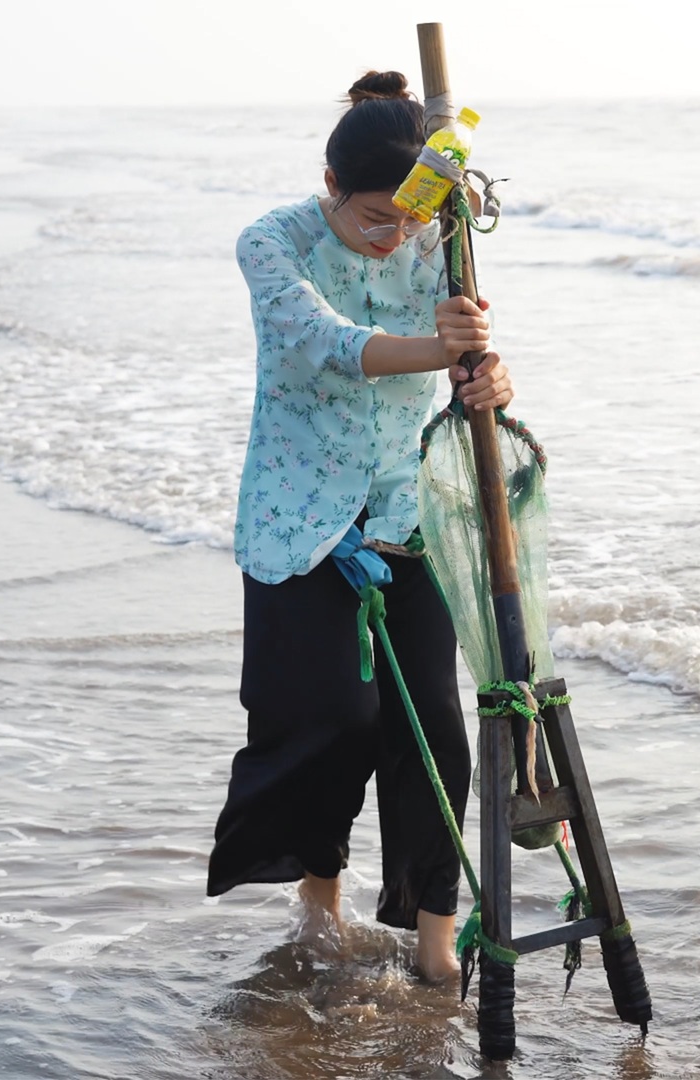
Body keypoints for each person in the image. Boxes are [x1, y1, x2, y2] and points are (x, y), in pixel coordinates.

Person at [207, 70, 512, 982]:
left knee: (434, 728)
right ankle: (320, 891)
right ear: (332, 188)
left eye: (408, 220)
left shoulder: (436, 234)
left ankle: (434, 938)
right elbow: (328, 344)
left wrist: (487, 377)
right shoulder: (273, 242)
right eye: (375, 219)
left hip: (408, 512)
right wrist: (438, 349)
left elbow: (471, 357)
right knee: (336, 719)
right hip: (299, 517)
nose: (394, 239)